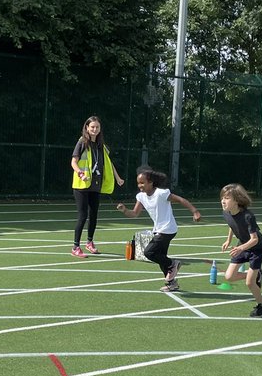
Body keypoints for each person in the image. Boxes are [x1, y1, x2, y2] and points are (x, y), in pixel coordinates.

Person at [116, 167, 201, 292]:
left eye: (142, 182)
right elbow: (134, 213)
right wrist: (124, 210)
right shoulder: (141, 196)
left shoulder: (161, 194)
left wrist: (195, 211)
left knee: (149, 252)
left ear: (150, 182)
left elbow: (180, 200)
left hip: (168, 228)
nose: (140, 185)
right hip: (158, 229)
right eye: (138, 183)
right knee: (161, 257)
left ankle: (173, 263)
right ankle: (172, 283)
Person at [70, 115, 124, 257]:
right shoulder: (82, 142)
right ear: (87, 128)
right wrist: (81, 173)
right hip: (82, 185)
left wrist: (118, 178)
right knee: (83, 215)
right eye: (92, 127)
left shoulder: (101, 146)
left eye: (97, 127)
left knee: (94, 215)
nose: (94, 129)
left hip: (95, 185)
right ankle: (75, 247)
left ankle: (89, 242)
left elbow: (109, 163)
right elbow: (73, 162)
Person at [220, 183, 262, 317]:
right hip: (241, 245)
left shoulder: (248, 216)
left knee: (250, 283)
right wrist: (228, 240)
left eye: (227, 198)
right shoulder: (226, 213)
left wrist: (240, 248)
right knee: (229, 276)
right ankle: (256, 275)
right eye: (222, 198)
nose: (223, 201)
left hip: (256, 249)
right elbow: (232, 225)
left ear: (237, 201)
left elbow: (255, 239)